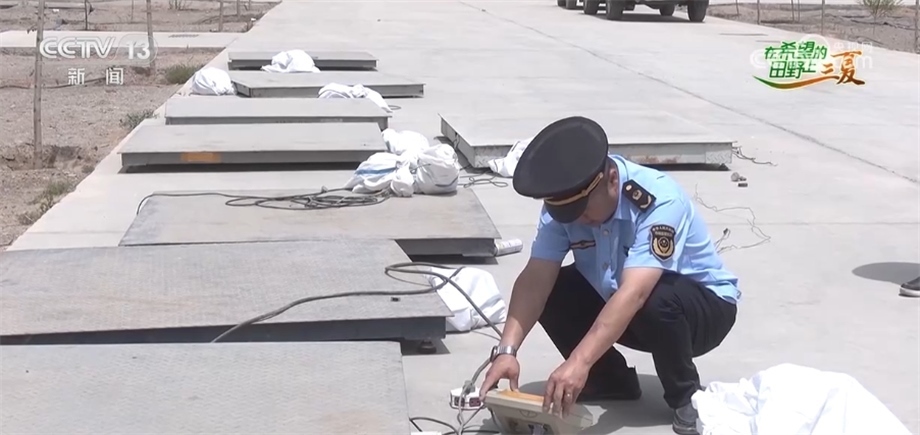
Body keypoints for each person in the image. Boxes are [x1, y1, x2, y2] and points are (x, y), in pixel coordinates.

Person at [479, 116, 740, 435]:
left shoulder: (659, 200)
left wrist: (579, 362)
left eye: (585, 211)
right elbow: (535, 279)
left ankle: (686, 397)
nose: (580, 221)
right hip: (625, 303)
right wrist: (507, 351)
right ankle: (609, 380)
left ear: (612, 180)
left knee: (654, 297)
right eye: (571, 215)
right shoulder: (565, 207)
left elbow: (635, 293)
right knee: (554, 290)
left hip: (702, 312)